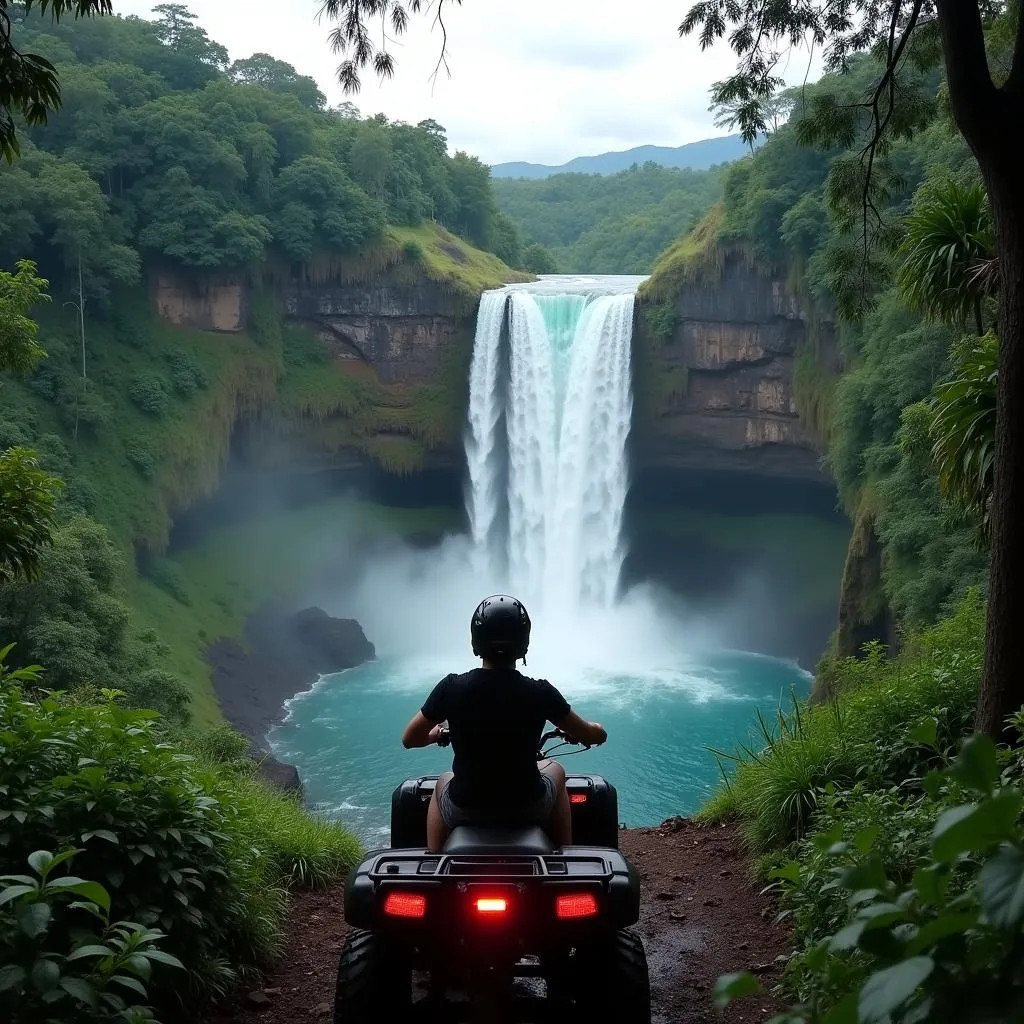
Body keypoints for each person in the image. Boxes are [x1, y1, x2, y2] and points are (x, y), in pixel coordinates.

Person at [401, 595, 607, 853]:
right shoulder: (540, 692)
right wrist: (597, 731)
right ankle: (563, 856)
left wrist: (437, 734)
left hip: (465, 808)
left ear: (476, 642)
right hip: (527, 806)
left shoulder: (451, 688)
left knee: (444, 780)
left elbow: (410, 738)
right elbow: (587, 733)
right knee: (558, 771)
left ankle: (434, 859)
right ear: (524, 644)